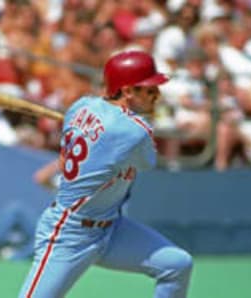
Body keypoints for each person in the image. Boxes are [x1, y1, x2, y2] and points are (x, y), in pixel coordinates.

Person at [18, 51, 193, 298]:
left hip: (112, 229)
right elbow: (146, 162)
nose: (157, 95)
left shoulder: (80, 106)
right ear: (127, 91)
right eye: (149, 89)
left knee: (177, 264)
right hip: (70, 233)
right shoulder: (136, 131)